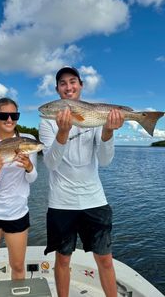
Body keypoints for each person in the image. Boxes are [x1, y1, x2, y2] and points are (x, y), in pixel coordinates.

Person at [39, 66, 124, 297]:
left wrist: (108, 131)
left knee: (105, 260)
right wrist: (62, 133)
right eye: (63, 83)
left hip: (94, 199)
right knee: (63, 259)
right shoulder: (48, 122)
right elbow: (50, 164)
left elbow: (105, 160)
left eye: (73, 81)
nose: (68, 87)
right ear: (57, 90)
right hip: (61, 202)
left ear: (81, 85)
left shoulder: (95, 114)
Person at [0, 97, 38, 297]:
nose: (10, 119)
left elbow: (32, 179)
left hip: (18, 214)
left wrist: (29, 167)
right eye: (4, 115)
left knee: (19, 267)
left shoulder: (27, 141)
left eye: (14, 115)